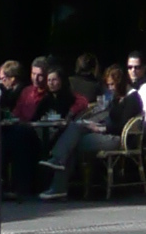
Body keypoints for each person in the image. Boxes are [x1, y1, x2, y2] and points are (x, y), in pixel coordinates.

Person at [39, 65, 136, 200]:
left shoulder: (133, 98)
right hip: (106, 133)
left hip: (118, 138)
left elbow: (122, 126)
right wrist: (94, 124)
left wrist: (101, 128)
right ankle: (58, 173)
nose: (110, 88)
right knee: (76, 127)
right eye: (108, 85)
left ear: (121, 83)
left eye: (113, 84)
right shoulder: (117, 98)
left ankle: (58, 181)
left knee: (72, 143)